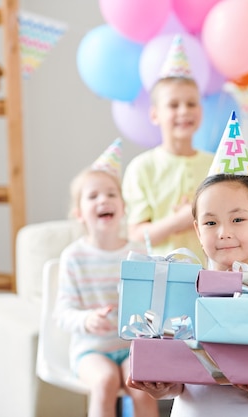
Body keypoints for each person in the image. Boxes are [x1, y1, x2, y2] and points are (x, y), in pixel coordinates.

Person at [128, 114, 248, 416]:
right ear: (198, 231)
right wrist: (165, 386)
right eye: (211, 222)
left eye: (238, 219)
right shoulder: (182, 291)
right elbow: (184, 381)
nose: (224, 231)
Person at [55, 139, 160, 417]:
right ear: (79, 214)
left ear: (123, 208)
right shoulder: (73, 257)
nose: (104, 200)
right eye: (93, 196)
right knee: (104, 381)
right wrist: (86, 320)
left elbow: (152, 301)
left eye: (112, 194)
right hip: (91, 350)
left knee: (142, 385)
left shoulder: (138, 253)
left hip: (131, 348)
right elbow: (62, 313)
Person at [122, 35, 214, 261]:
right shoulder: (142, 168)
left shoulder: (215, 164)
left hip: (210, 275)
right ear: (155, 114)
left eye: (191, 104)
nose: (184, 111)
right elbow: (136, 235)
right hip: (160, 277)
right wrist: (179, 221)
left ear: (200, 111)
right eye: (173, 105)